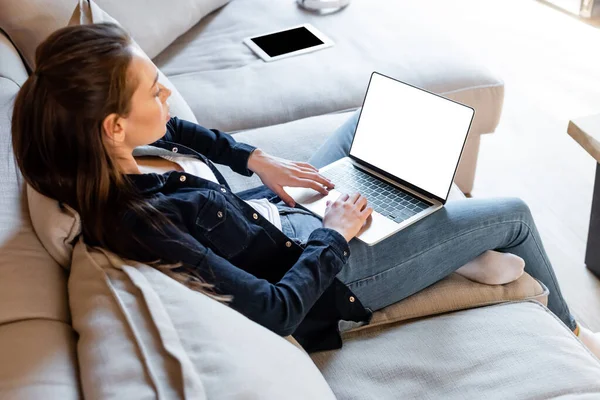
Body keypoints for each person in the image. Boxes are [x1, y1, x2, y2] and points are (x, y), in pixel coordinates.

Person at [12, 23, 599, 355]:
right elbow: (275, 310)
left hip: (279, 219)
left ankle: (430, 238)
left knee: (368, 126)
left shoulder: (103, 153)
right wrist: (334, 232)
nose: (165, 95)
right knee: (516, 214)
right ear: (114, 126)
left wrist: (256, 159)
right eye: (152, 90)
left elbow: (182, 130)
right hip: (331, 277)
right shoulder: (142, 224)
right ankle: (574, 332)